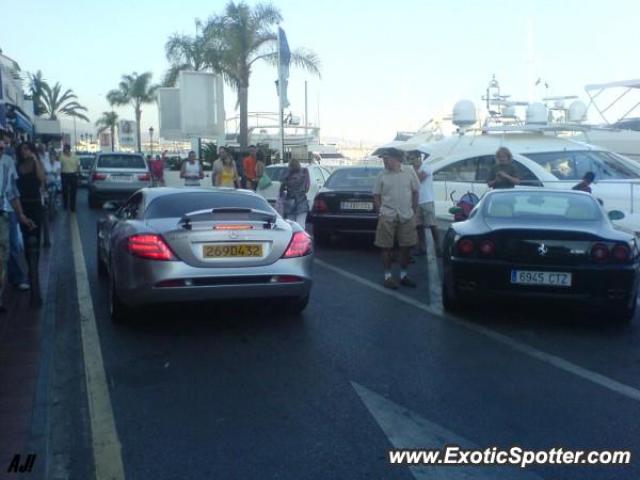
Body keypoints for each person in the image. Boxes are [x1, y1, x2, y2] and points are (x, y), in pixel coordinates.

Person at [372, 148, 420, 289]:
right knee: (386, 247)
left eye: (386, 158)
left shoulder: (409, 172)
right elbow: (376, 195)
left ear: (396, 159)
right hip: (387, 216)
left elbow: (416, 192)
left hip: (406, 215)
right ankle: (388, 277)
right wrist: (380, 212)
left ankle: (403, 275)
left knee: (406, 247)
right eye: (383, 159)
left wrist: (413, 210)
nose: (384, 161)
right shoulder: (382, 175)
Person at [1, 140, 31, 296]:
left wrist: (20, 213)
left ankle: (17, 278)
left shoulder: (8, 162)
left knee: (12, 244)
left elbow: (12, 190)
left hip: (7, 209)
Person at [15, 143, 44, 306]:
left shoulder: (36, 164)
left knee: (36, 239)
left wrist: (36, 160)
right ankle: (30, 268)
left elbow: (41, 179)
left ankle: (34, 270)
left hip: (35, 205)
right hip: (22, 205)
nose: (24, 151)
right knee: (26, 241)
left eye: (27, 149)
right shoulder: (17, 165)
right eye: (22, 149)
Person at [412, 151, 441, 257]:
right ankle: (421, 247)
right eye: (413, 158)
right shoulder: (412, 169)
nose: (414, 160)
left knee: (432, 225)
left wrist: (414, 170)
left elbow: (418, 180)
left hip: (427, 200)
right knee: (418, 226)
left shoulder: (427, 167)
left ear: (420, 158)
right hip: (417, 201)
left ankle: (438, 247)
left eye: (416, 158)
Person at [279, 159, 310, 227]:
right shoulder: (304, 173)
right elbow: (306, 189)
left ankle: (292, 237)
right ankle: (301, 237)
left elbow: (281, 188)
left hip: (290, 202)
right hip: (302, 202)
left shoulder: (287, 176)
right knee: (301, 224)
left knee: (291, 224)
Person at [59, 143, 80, 211]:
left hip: (73, 175)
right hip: (64, 174)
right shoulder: (61, 157)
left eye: (65, 149)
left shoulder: (75, 156)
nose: (64, 150)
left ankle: (72, 206)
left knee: (73, 192)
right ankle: (65, 205)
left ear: (68, 149)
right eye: (64, 149)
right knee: (64, 191)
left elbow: (78, 166)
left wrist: (78, 174)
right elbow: (58, 166)